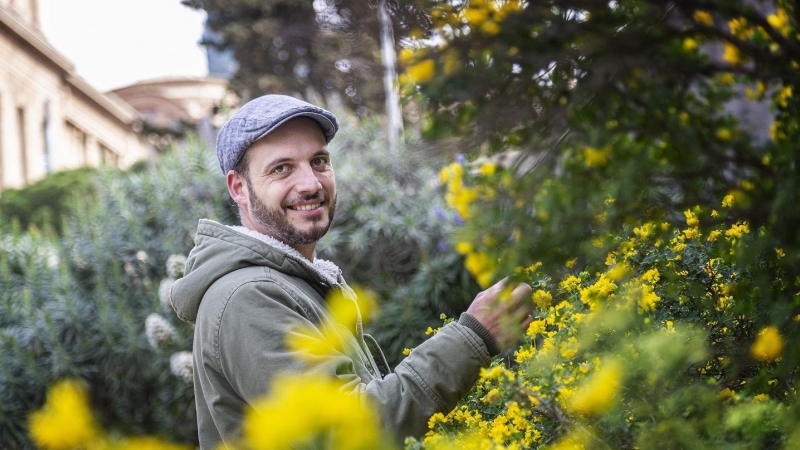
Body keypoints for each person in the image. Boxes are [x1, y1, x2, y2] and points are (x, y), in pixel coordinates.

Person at [170, 94, 533, 449]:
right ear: (239, 188)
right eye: (282, 168)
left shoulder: (291, 283)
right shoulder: (247, 297)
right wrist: (473, 337)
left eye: (319, 161)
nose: (310, 183)